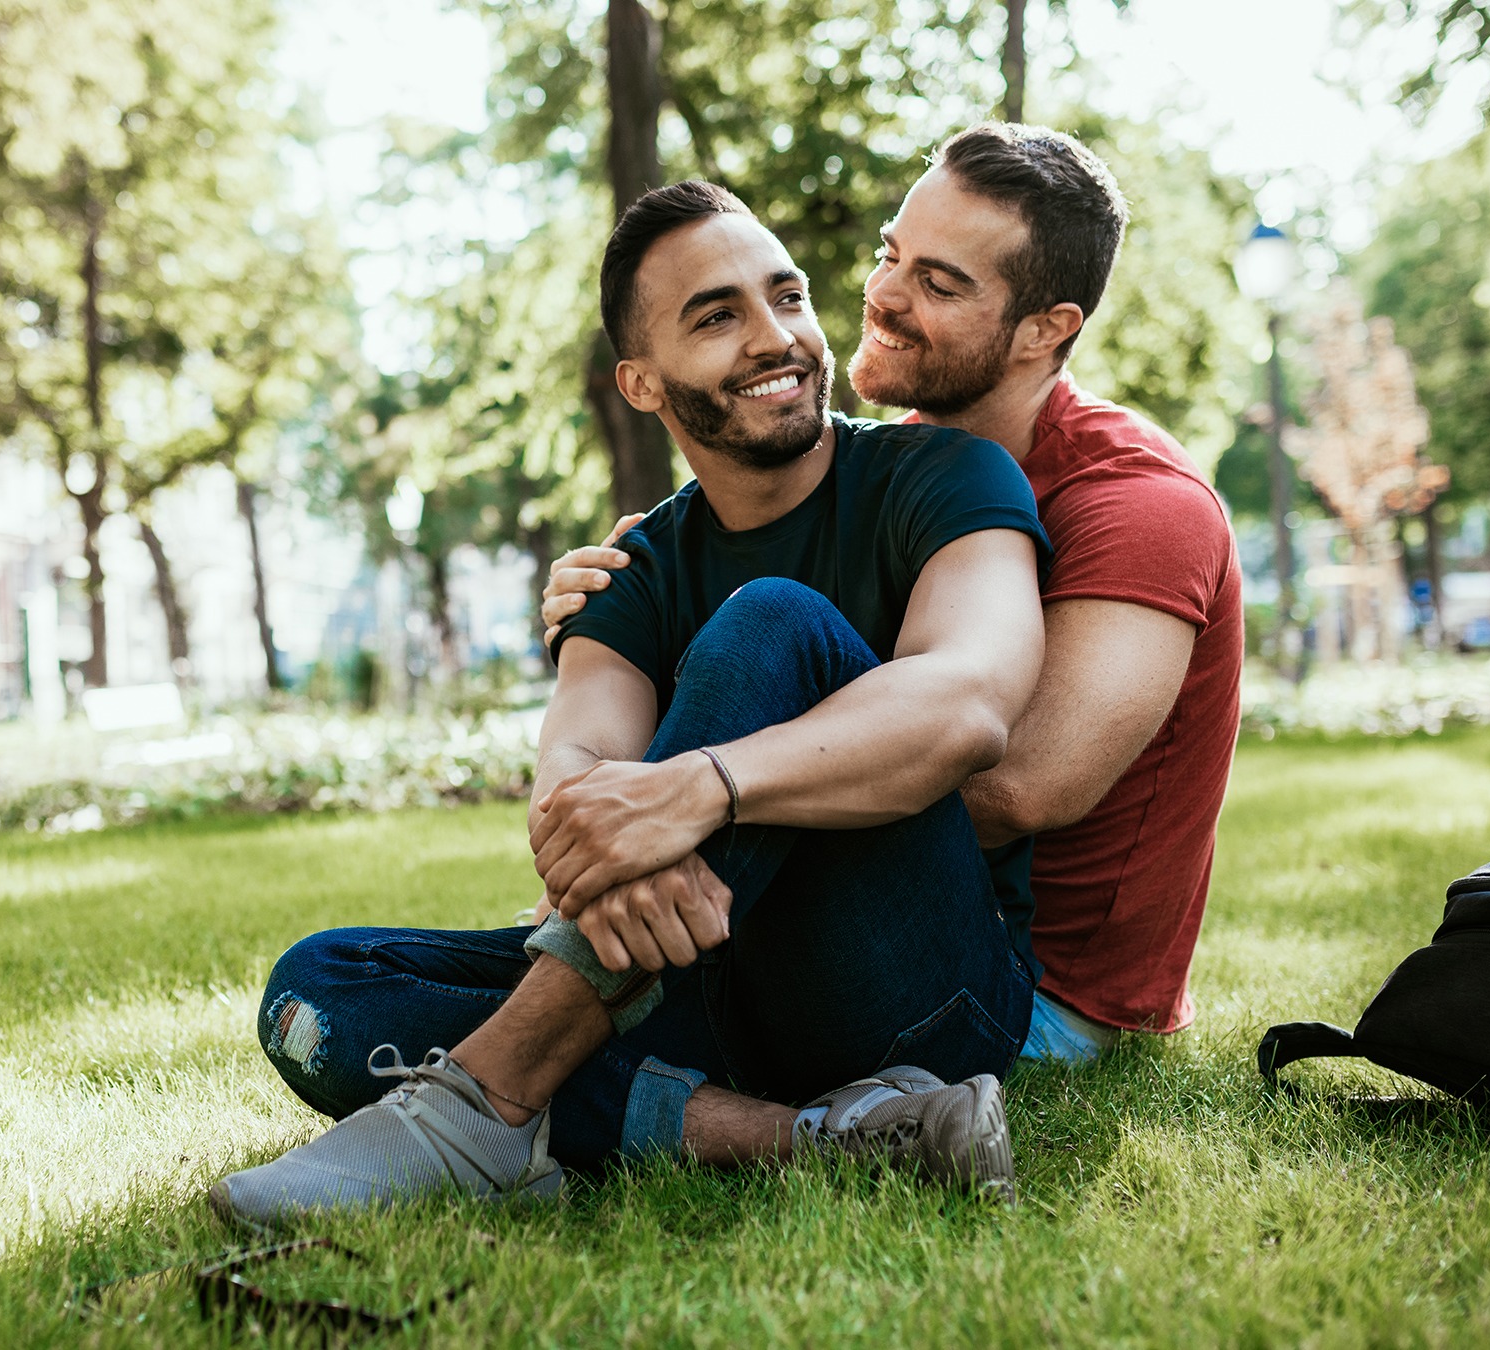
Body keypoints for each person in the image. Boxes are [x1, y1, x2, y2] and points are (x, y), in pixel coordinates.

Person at [210, 179, 1055, 1226]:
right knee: (321, 992)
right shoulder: (638, 565)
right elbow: (573, 794)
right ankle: (822, 1140)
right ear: (643, 383)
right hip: (694, 978)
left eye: (786, 298)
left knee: (771, 623)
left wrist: (703, 788)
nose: (775, 337)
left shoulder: (943, 476)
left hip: (920, 990)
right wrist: (616, 822)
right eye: (718, 317)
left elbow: (969, 699)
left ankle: (491, 1103)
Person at [543, 123, 1243, 1063]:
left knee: (774, 630)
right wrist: (639, 619)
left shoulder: (1139, 506)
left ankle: (533, 1063)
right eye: (890, 253)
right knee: (336, 984)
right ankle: (555, 1054)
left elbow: (1013, 783)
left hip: (1033, 994)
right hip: (789, 924)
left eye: (939, 283)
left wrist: (676, 802)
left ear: (1046, 330)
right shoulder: (895, 472)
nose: (882, 294)